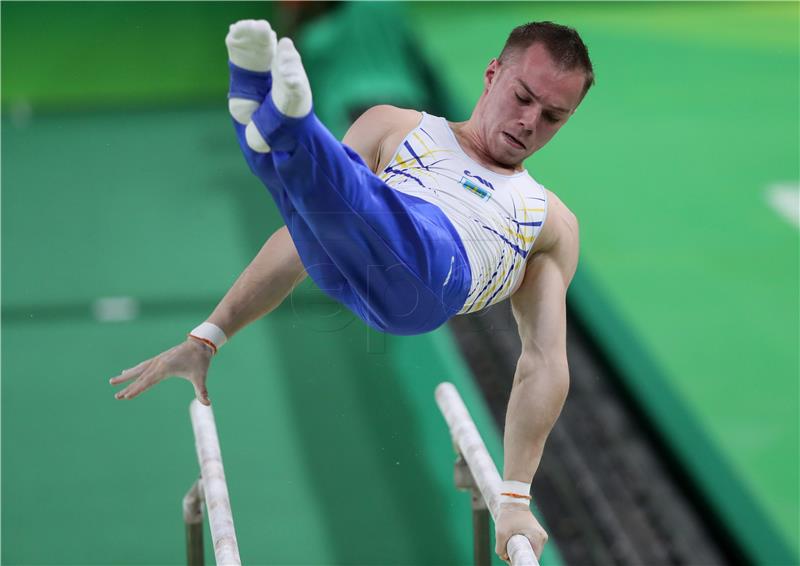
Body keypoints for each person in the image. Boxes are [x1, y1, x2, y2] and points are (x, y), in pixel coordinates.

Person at [110, 18, 594, 563]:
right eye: (523, 97)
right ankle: (271, 121)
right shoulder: (394, 126)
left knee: (377, 211)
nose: (530, 122)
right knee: (312, 211)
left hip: (430, 279)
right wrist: (207, 337)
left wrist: (515, 496)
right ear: (492, 74)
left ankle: (281, 121)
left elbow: (543, 361)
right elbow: (295, 241)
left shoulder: (550, 221)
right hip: (345, 265)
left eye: (552, 117)